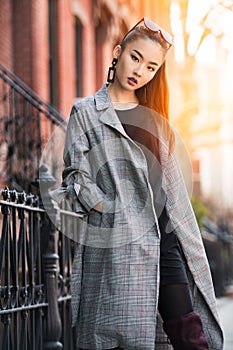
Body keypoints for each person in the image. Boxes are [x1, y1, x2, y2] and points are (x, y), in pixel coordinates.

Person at [61, 17, 223, 350]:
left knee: (191, 336)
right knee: (122, 339)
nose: (140, 71)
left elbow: (170, 186)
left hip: (165, 241)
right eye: (136, 58)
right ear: (118, 53)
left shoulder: (155, 119)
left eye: (151, 67)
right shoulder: (87, 112)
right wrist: (109, 207)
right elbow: (75, 176)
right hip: (120, 249)